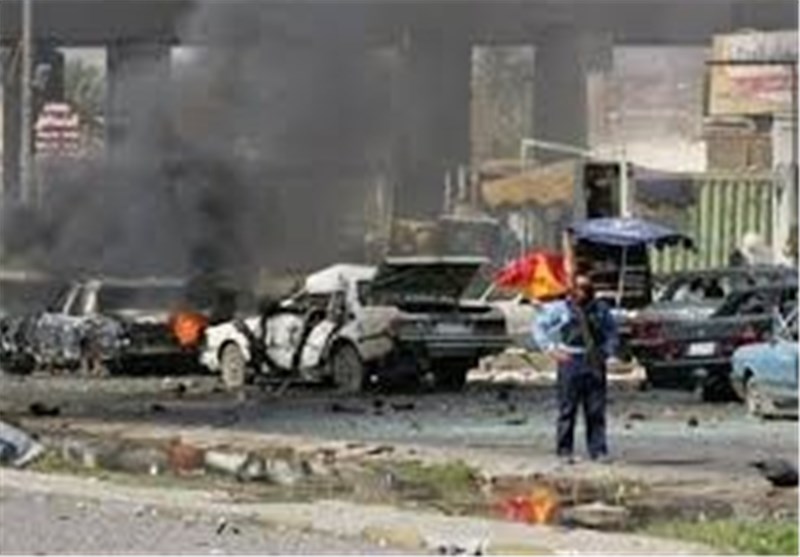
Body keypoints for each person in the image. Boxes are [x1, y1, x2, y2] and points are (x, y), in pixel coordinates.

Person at [532, 274, 619, 464]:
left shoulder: (600, 309)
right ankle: (564, 450)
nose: (580, 293)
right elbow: (539, 327)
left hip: (594, 360)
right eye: (577, 288)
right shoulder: (561, 309)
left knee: (595, 409)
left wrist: (606, 351)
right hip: (570, 360)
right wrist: (551, 349)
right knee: (567, 409)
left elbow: (612, 332)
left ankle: (598, 450)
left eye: (585, 288)